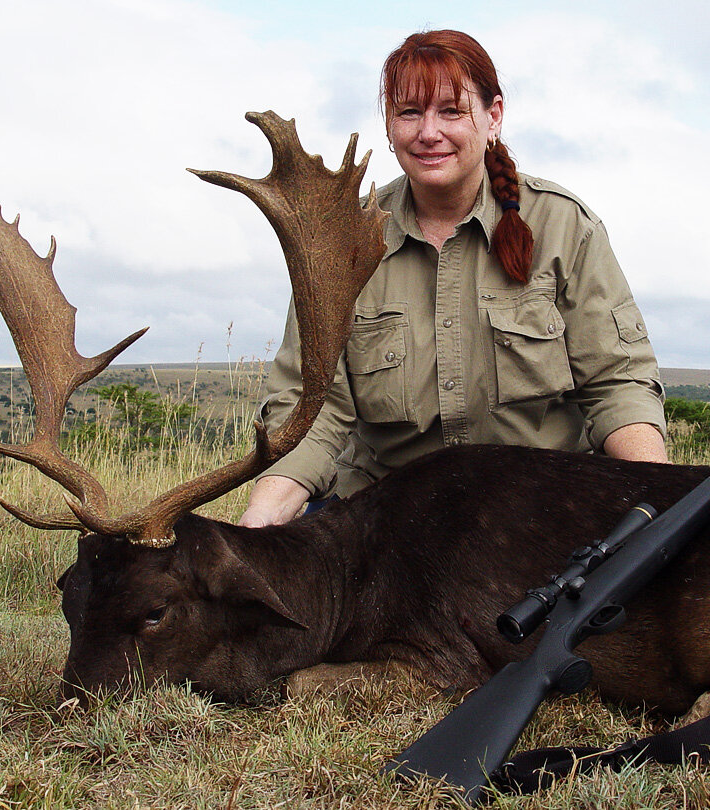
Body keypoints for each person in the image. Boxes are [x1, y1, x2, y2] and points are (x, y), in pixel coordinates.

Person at [239, 29, 667, 528]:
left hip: (541, 515)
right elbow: (312, 412)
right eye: (409, 112)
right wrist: (260, 521)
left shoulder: (563, 226)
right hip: (386, 520)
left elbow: (617, 384)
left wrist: (657, 500)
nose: (428, 132)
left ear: (494, 117)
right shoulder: (339, 245)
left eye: (451, 110)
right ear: (389, 125)